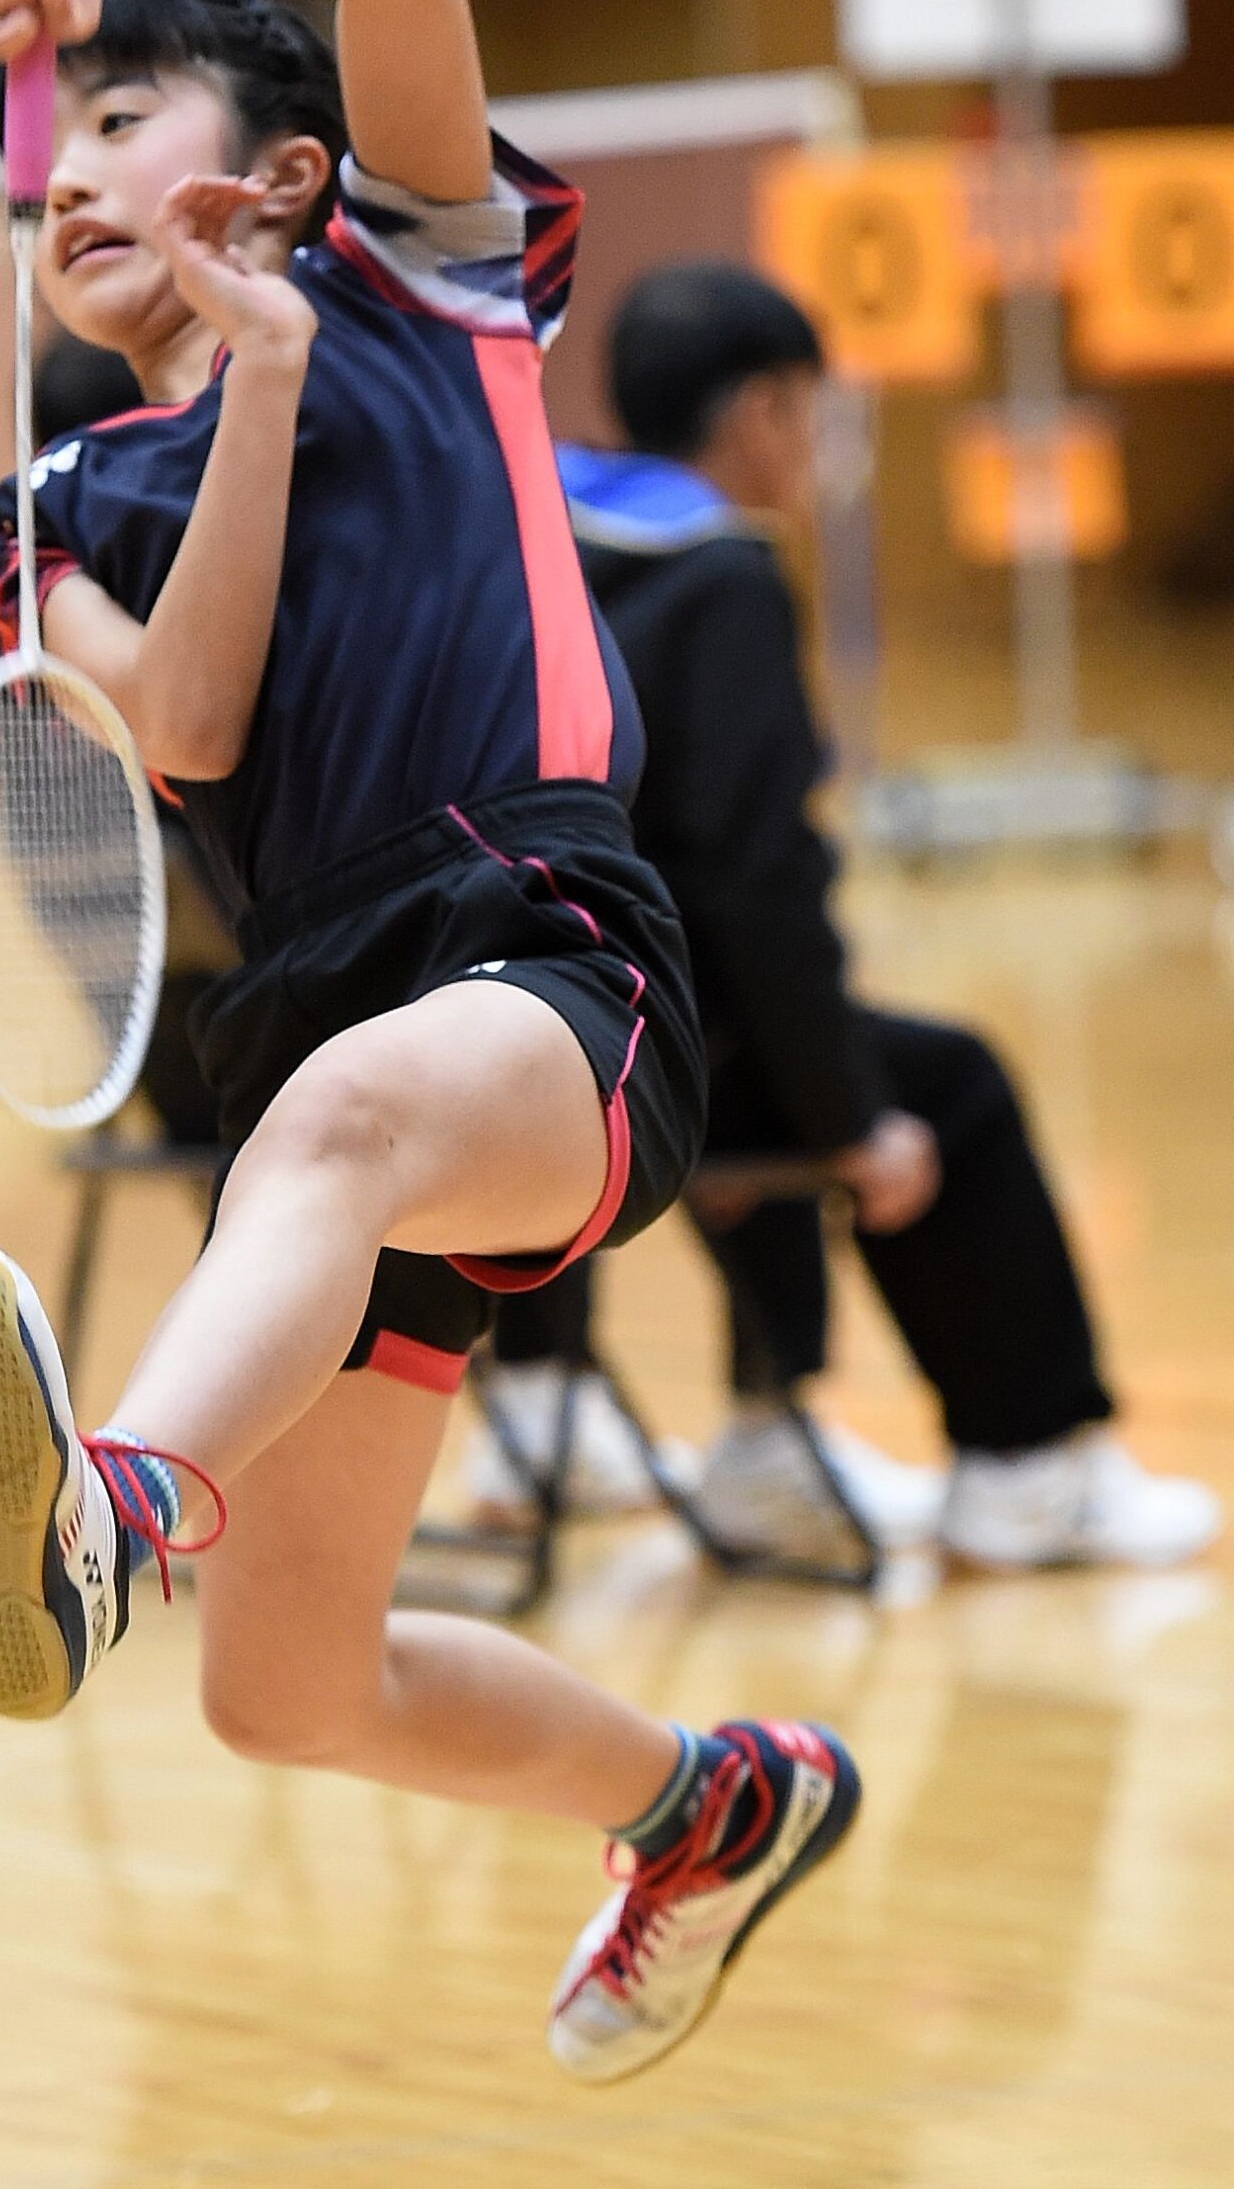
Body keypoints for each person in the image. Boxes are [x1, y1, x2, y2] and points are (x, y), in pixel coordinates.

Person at [0, 0, 862, 2085]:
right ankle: (706, 1801)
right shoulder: (39, 515)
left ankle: (107, 1508)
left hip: (544, 952)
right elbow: (197, 725)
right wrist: (253, 381)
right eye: (75, 132)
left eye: (137, 111)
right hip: (321, 1040)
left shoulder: (430, 284)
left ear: (296, 173)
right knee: (282, 1686)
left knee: (332, 1133)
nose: (89, 158)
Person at [468, 261, 1220, 1571]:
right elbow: (756, 885)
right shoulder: (726, 579)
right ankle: (1028, 1471)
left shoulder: (538, 548)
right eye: (811, 411)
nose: (817, 445)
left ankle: (760, 1437)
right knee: (942, 1086)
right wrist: (852, 1123)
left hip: (521, 1022)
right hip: (658, 1049)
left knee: (776, 1033)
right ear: (759, 409)